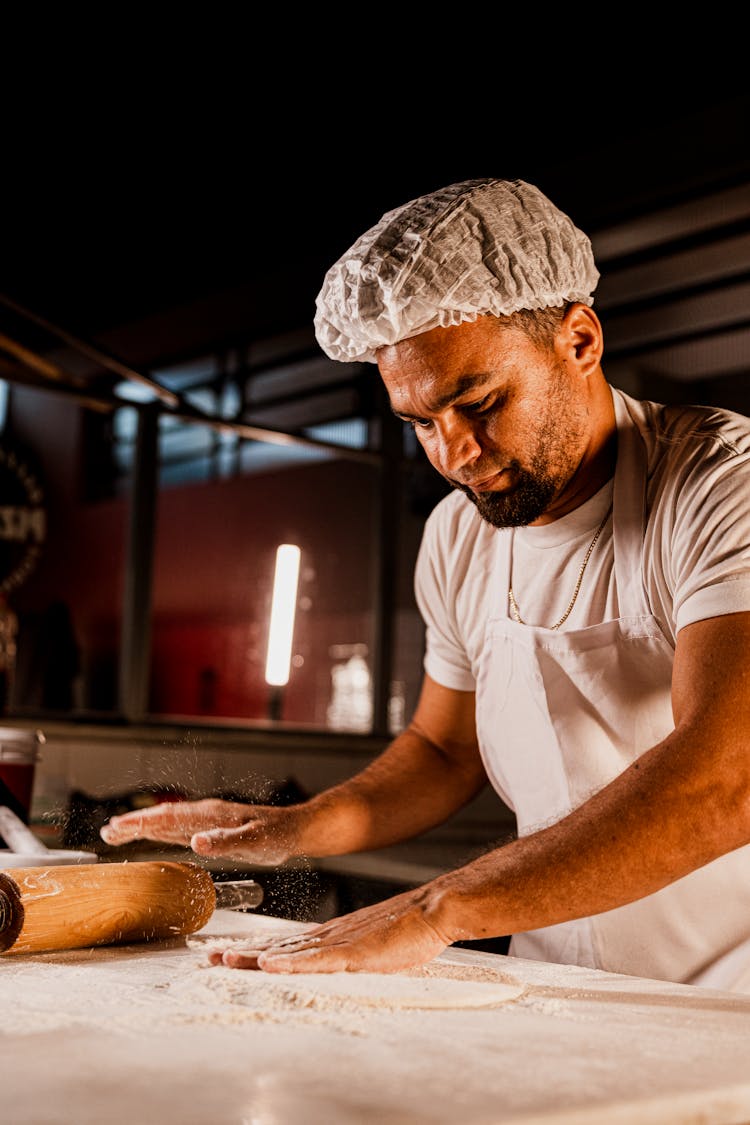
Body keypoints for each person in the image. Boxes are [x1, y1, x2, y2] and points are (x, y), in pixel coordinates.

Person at [100, 179, 750, 992]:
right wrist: (290, 826)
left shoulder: (718, 483)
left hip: (731, 1004)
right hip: (564, 994)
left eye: (478, 402)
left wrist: (439, 907)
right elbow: (445, 750)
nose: (456, 455)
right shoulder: (457, 535)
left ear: (580, 340)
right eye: (420, 423)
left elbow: (727, 776)